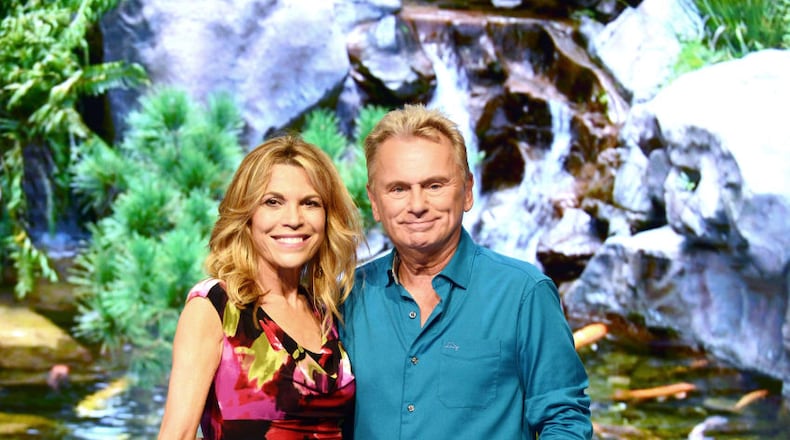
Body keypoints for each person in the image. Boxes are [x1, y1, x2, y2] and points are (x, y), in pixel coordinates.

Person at [340, 104, 592, 439]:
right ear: (374, 201)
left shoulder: (524, 294)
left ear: (468, 190)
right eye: (398, 189)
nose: (417, 205)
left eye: (434, 185)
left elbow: (564, 420)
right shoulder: (348, 297)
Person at [158, 135, 363, 439]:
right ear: (247, 215)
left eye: (310, 203)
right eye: (272, 202)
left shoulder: (326, 311)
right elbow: (177, 434)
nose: (293, 219)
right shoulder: (215, 306)